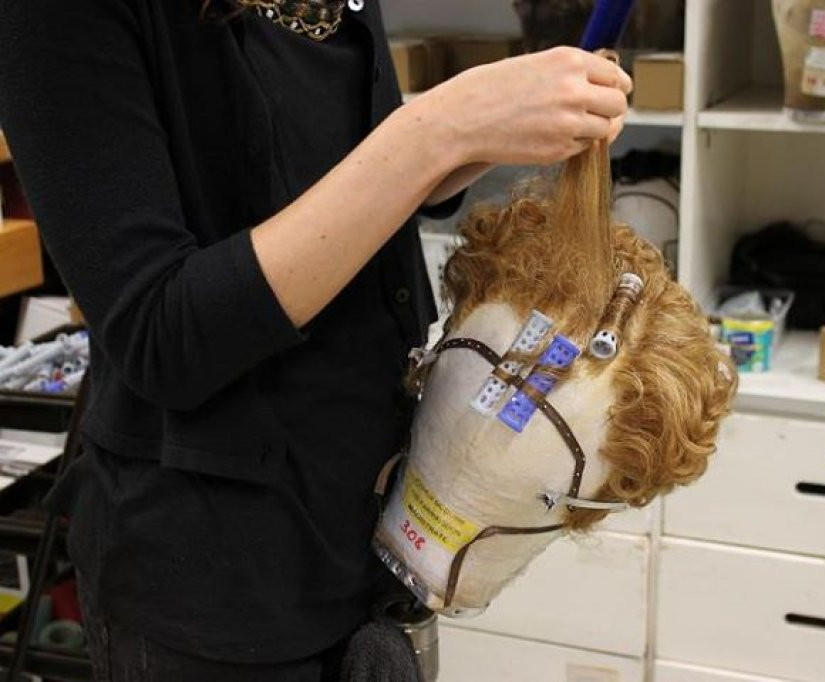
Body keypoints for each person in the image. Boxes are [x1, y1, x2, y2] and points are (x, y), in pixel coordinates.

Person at [0, 0, 631, 679]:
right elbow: (162, 333)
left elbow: (334, 182)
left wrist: (483, 133)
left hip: (374, 537)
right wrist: (438, 130)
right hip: (217, 586)